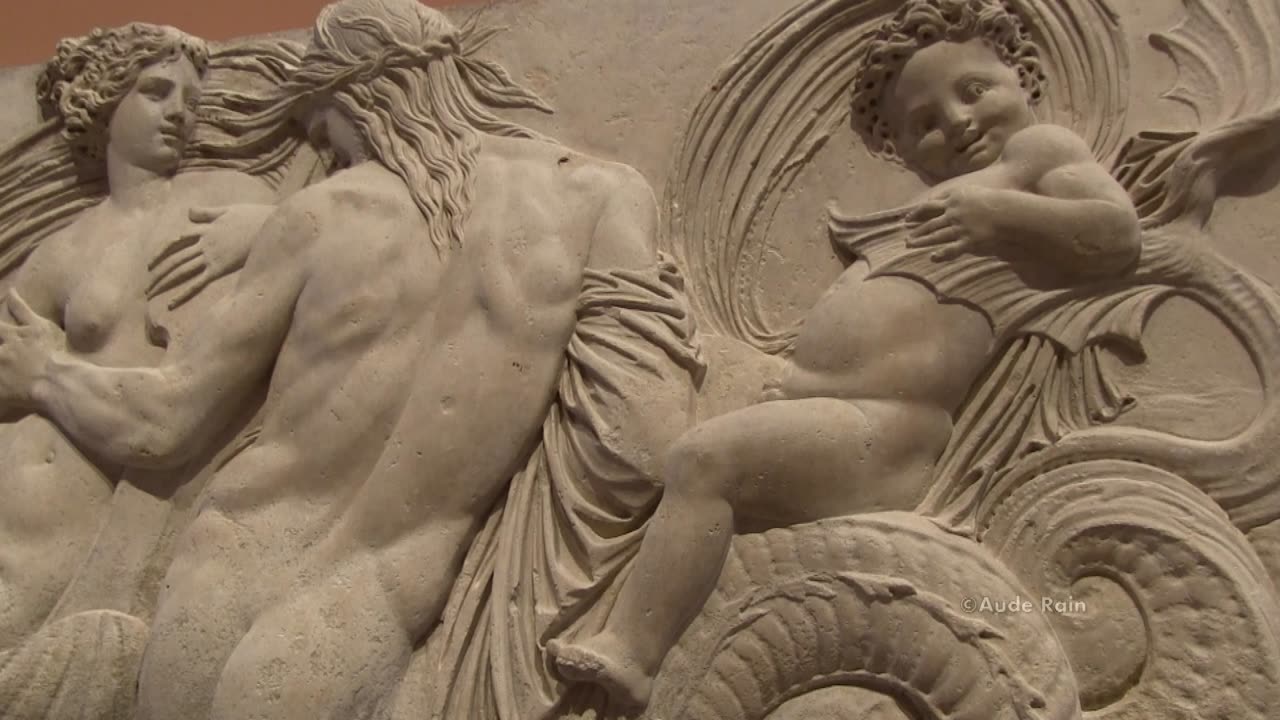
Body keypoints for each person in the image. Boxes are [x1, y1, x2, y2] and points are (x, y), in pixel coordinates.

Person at [0, 1, 700, 718]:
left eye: (323, 129)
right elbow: (639, 439)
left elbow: (165, 421)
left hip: (224, 566)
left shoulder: (319, 216)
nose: (327, 154)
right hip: (369, 593)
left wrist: (43, 375)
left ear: (356, 97)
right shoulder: (601, 197)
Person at [546, 0, 1143, 709]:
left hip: (887, 432)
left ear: (1021, 75)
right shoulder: (947, 204)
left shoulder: (1036, 154)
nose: (956, 120)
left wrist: (1001, 212)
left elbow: (1115, 232)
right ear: (899, 151)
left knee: (704, 461)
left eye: (975, 89)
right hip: (830, 407)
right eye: (923, 122)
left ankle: (631, 651)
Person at [0, 23, 277, 649]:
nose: (178, 112)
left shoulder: (226, 199)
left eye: (190, 101)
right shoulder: (60, 250)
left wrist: (266, 225)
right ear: (105, 101)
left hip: (104, 523)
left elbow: (315, 242)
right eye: (156, 92)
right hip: (23, 522)